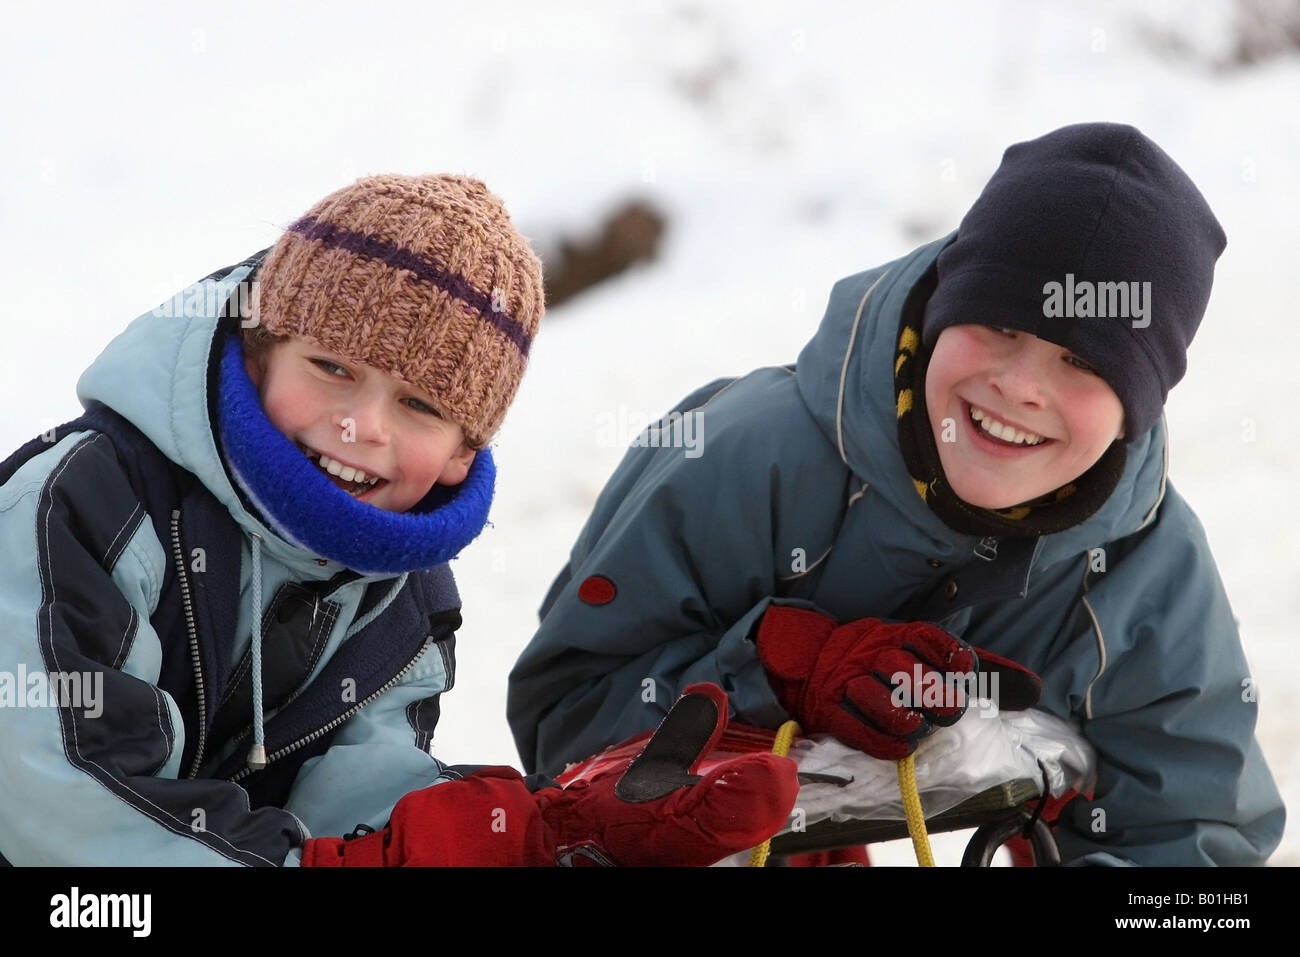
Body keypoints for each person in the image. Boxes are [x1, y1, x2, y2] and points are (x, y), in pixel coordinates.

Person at [507, 124, 1287, 866]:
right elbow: (564, 733)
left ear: (1139, 404)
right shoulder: (743, 455)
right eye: (1000, 325)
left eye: (1082, 359)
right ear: (945, 305)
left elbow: (1197, 848)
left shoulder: (1145, 568)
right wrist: (775, 681)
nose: (1018, 386)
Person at [0, 174, 796, 866]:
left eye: (419, 404)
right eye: (333, 367)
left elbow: (362, 800)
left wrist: (543, 832)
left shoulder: (402, 597)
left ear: (461, 452)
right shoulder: (80, 505)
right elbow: (64, 807)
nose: (360, 426)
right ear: (261, 349)